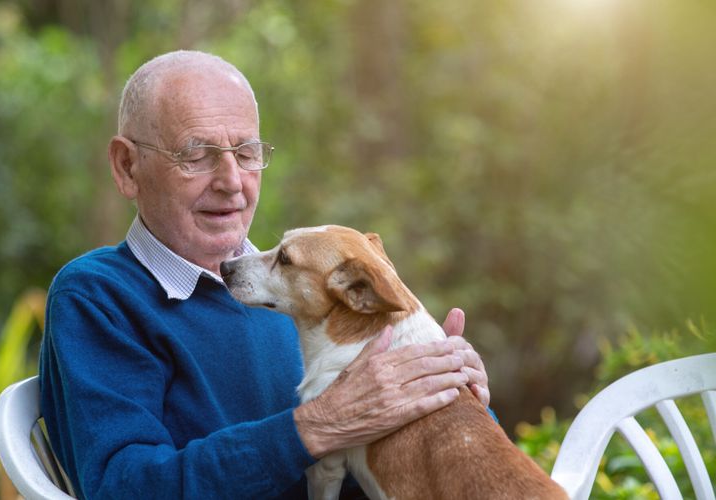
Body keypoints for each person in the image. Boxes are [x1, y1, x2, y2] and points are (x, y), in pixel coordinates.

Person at [39, 50, 491, 499]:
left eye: (246, 152)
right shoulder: (99, 297)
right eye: (196, 154)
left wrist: (442, 400)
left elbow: (356, 465)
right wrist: (315, 427)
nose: (232, 181)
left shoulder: (307, 289)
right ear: (127, 167)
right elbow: (125, 488)